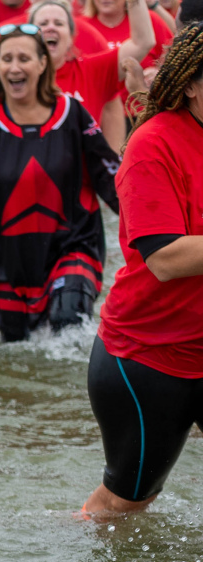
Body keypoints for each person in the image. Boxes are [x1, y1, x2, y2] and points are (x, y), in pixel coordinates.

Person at [0, 22, 122, 339]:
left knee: (69, 321)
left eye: (24, 58)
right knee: (16, 349)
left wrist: (150, 216)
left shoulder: (73, 114)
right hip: (4, 261)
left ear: (43, 64)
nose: (14, 68)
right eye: (6, 59)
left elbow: (109, 172)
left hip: (74, 245)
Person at [80, 24, 203, 517]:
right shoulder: (153, 143)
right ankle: (59, 552)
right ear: (190, 84)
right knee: (125, 504)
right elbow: (165, 258)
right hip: (148, 358)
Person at [0, 0, 154, 150]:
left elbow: (143, 42)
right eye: (42, 24)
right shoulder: (8, 69)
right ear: (29, 37)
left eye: (59, 23)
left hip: (77, 190)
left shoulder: (93, 71)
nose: (51, 28)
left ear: (71, 36)